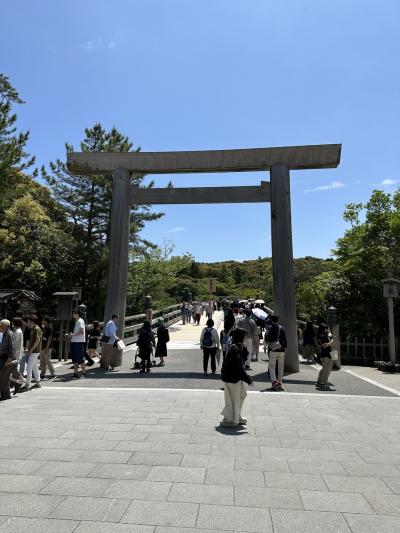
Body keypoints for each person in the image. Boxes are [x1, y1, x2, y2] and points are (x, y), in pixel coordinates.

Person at [220, 328, 253, 427]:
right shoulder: (235, 349)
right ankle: (230, 419)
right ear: (241, 337)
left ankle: (237, 416)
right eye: (244, 337)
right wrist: (248, 379)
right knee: (234, 399)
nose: (245, 339)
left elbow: (245, 357)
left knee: (242, 394)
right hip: (232, 379)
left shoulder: (236, 347)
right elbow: (238, 368)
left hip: (232, 377)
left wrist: (244, 348)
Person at [265, 314, 287, 391]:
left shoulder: (270, 328)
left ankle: (274, 382)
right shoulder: (282, 328)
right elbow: (285, 340)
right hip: (281, 350)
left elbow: (268, 339)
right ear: (278, 320)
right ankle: (280, 382)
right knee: (281, 367)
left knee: (272, 367)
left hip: (273, 350)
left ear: (271, 320)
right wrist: (284, 347)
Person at [20, 315, 42, 392]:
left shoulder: (36, 329)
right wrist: (28, 348)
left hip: (34, 351)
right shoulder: (34, 328)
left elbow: (37, 340)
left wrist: (30, 350)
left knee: (28, 368)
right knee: (34, 367)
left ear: (32, 321)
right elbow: (34, 341)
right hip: (35, 351)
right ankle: (38, 383)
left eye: (28, 321)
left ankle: (27, 385)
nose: (27, 323)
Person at [0, 319, 16, 401]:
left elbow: (12, 348)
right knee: (3, 376)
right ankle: (16, 384)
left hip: (8, 359)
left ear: (6, 326)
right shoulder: (4, 334)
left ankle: (6, 395)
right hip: (3, 358)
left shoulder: (10, 334)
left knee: (4, 378)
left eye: (1, 325)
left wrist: (9, 359)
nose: (0, 327)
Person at [316, 324, 335, 391]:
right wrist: (331, 340)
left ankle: (319, 382)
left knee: (324, 369)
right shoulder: (322, 336)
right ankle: (322, 383)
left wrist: (331, 338)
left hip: (328, 354)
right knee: (327, 370)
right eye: (326, 328)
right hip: (327, 355)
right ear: (323, 329)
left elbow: (332, 340)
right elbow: (325, 345)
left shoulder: (322, 335)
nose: (327, 329)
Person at [70, 310, 86, 379]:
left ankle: (83, 373)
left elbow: (82, 332)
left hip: (79, 342)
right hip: (75, 341)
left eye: (73, 313)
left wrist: (73, 334)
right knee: (75, 358)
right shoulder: (77, 321)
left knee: (80, 357)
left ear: (77, 314)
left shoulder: (80, 321)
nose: (72, 315)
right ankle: (75, 372)